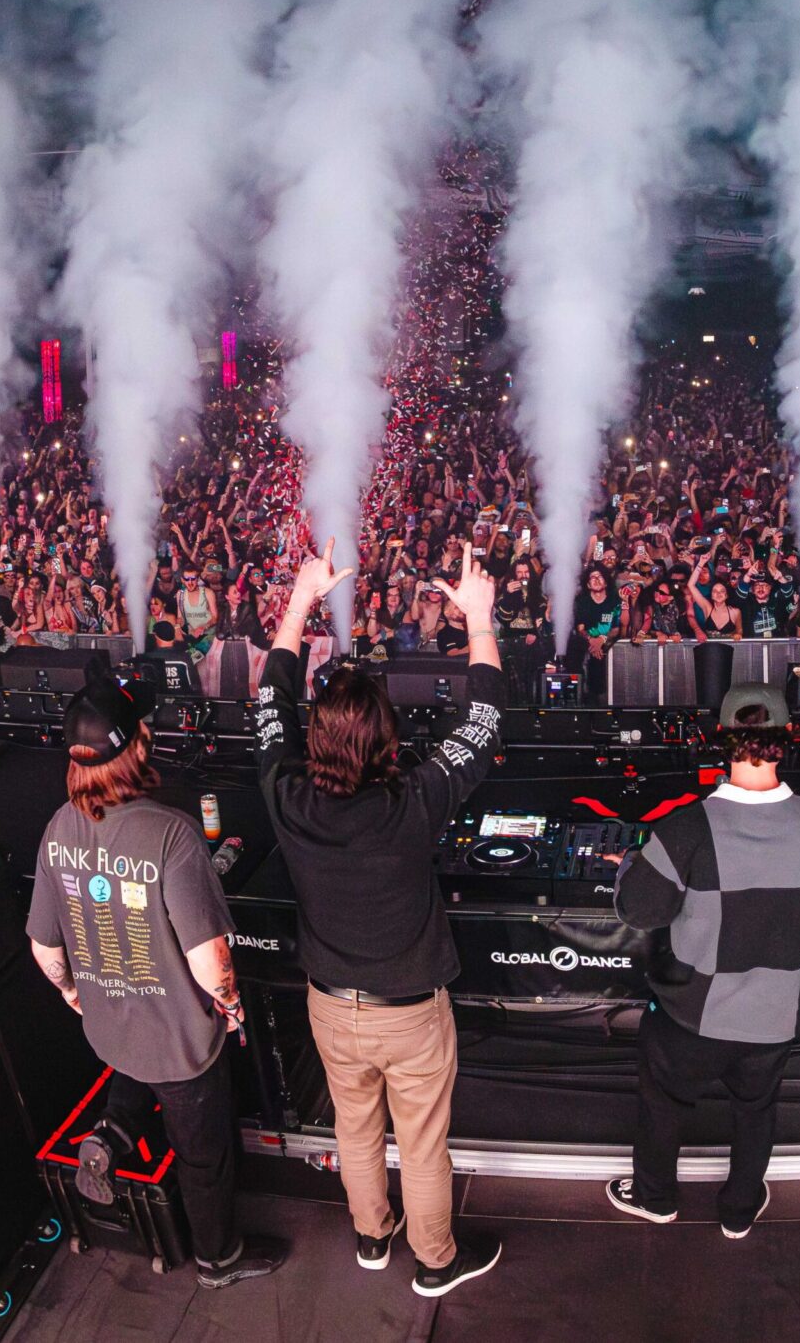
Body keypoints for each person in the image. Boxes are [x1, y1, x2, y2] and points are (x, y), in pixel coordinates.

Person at [251, 540, 505, 1298]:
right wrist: (480, 620)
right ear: (389, 740)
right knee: (421, 1144)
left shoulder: (286, 795)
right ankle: (435, 1262)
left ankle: (371, 1236)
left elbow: (268, 705)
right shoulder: (415, 801)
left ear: (316, 739)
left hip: (331, 1005)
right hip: (410, 1012)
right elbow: (485, 720)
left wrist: (299, 603)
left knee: (354, 1128)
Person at [25, 675, 283, 1291]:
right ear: (135, 745)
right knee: (203, 1155)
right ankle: (219, 1260)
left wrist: (72, 992)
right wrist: (230, 1005)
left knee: (136, 1067)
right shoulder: (170, 834)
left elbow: (44, 948)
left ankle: (111, 1137)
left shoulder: (58, 827)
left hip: (110, 1028)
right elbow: (208, 956)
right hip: (181, 1042)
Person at [606, 684, 800, 1238]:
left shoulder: (685, 829)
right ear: (787, 739)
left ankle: (655, 1199)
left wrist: (630, 863)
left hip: (691, 1013)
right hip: (774, 1013)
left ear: (720, 739)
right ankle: (739, 1211)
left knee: (663, 1106)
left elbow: (639, 911)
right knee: (756, 1109)